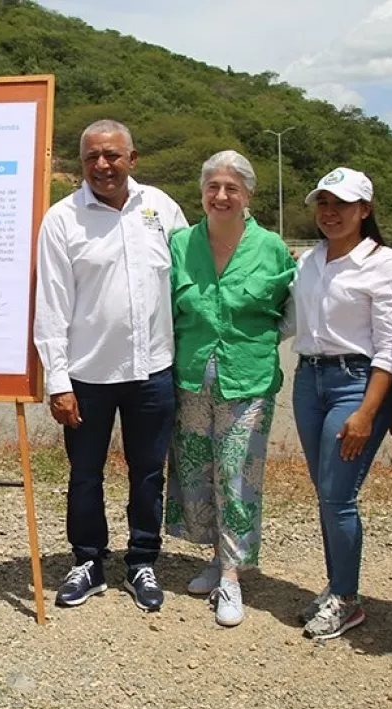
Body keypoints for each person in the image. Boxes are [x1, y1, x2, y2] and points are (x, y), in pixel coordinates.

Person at [34, 119, 187, 612]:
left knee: (148, 473)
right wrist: (58, 380)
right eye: (91, 157)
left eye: (112, 155)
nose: (102, 165)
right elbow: (52, 305)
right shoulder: (62, 219)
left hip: (153, 371)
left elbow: (188, 283)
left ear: (132, 159)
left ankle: (142, 560)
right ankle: (88, 562)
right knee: (84, 474)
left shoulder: (161, 210)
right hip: (87, 376)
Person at [165, 150, 295, 627]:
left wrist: (253, 343)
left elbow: (287, 311)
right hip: (193, 376)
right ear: (202, 193)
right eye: (213, 187)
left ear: (248, 196)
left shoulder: (272, 247)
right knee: (197, 470)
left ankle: (233, 575)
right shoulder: (181, 244)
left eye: (231, 188)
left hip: (248, 379)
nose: (221, 196)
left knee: (237, 475)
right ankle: (215, 557)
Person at [289, 167, 392, 640]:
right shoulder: (310, 260)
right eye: (323, 203)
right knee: (327, 494)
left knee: (338, 496)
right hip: (308, 380)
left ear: (365, 209)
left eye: (341, 204)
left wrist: (367, 411)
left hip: (354, 383)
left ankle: (348, 597)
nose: (330, 212)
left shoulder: (384, 264)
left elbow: (390, 347)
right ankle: (338, 586)